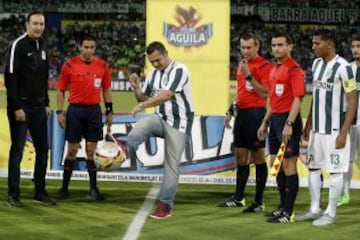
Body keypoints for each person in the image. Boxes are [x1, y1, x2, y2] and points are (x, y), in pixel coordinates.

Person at [127, 41, 194, 219]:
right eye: (152, 62)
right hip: (160, 119)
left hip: (179, 123)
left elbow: (166, 95)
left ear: (166, 54)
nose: (156, 64)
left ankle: (165, 206)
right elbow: (144, 96)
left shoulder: (180, 70)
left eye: (158, 60)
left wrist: (141, 105)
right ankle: (117, 157)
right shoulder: (153, 74)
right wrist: (137, 89)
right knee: (136, 131)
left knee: (171, 166)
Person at [296, 29, 357, 226]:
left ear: (329, 45)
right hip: (317, 131)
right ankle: (315, 208)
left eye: (317, 44)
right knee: (313, 167)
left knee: (336, 171)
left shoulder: (344, 68)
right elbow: (316, 97)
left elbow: (352, 101)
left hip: (335, 131)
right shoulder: (316, 64)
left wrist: (344, 131)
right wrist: (308, 125)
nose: (313, 47)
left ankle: (331, 213)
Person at [4, 11, 56, 207]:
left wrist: (47, 103)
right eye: (35, 23)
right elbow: (10, 78)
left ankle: (39, 192)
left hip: (38, 106)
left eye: (41, 24)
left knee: (43, 148)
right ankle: (13, 194)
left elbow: (43, 78)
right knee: (17, 150)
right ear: (27, 24)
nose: (38, 27)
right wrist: (17, 107)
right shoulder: (18, 45)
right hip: (22, 107)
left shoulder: (43, 45)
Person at [217, 33, 271, 213]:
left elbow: (265, 93)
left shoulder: (265, 66)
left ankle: (259, 201)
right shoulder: (242, 64)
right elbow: (241, 92)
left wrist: (249, 76)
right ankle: (238, 198)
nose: (245, 51)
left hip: (257, 114)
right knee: (240, 156)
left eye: (249, 47)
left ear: (257, 47)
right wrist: (230, 109)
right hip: (242, 114)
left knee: (258, 156)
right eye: (242, 47)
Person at [56, 34, 113, 200]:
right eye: (86, 47)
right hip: (75, 111)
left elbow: (106, 90)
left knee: (91, 150)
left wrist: (109, 111)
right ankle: (64, 189)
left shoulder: (102, 66)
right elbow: (60, 90)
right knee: (72, 150)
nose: (89, 50)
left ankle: (94, 189)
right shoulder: (69, 65)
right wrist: (60, 112)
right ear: (80, 47)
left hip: (94, 112)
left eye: (92, 47)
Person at [258, 31, 305, 223]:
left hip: (288, 121)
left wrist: (289, 124)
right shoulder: (273, 69)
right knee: (277, 166)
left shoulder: (294, 69)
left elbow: (298, 98)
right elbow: (273, 99)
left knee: (289, 166)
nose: (276, 48)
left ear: (290, 47)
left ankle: (289, 212)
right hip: (276, 121)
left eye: (280, 45)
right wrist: (265, 121)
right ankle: (282, 207)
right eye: (274, 45)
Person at [337, 35, 360, 207]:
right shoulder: (347, 69)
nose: (355, 49)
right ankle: (345, 193)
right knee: (349, 159)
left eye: (358, 46)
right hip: (351, 122)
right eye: (353, 46)